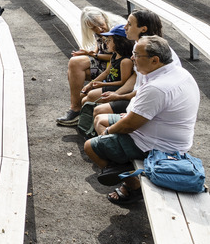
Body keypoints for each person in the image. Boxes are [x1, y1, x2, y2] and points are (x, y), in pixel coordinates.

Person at [84, 36, 200, 205]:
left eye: (137, 55)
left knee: (91, 146)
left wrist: (108, 133)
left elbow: (129, 126)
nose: (132, 58)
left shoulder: (158, 87)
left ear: (155, 60)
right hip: (158, 131)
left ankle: (133, 185)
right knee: (100, 119)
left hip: (158, 145)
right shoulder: (178, 73)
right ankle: (119, 163)